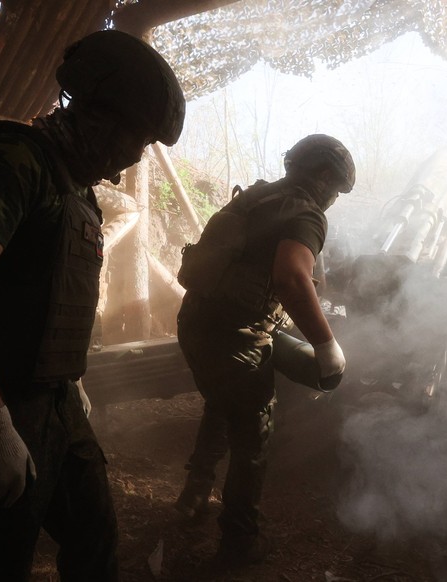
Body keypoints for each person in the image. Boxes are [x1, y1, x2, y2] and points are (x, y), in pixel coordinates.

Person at [0, 30, 185, 582]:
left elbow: (50, 294)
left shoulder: (76, 191)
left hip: (55, 403)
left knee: (94, 537)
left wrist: (68, 380)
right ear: (97, 116)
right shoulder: (12, 163)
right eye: (138, 137)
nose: (136, 155)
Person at [173, 134, 354, 565]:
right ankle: (239, 542)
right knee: (252, 438)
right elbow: (293, 278)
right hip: (236, 336)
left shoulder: (259, 197)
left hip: (198, 323)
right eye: (336, 191)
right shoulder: (305, 211)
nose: (333, 201)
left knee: (223, 401)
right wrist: (326, 346)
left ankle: (193, 495)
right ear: (325, 177)